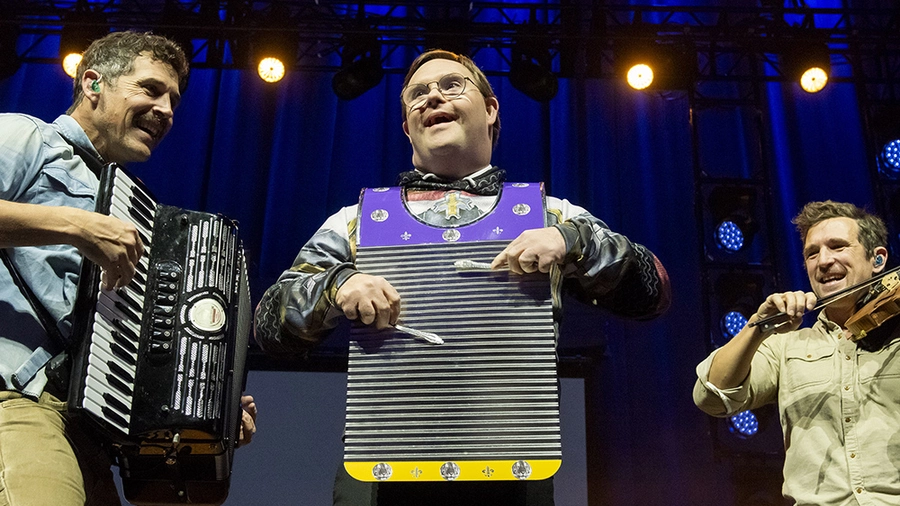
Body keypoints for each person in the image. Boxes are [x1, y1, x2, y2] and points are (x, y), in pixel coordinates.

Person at [254, 49, 671, 506]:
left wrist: (577, 242)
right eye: (416, 94)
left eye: (452, 86)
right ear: (407, 127)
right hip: (383, 467)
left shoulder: (551, 216)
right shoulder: (357, 223)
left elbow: (652, 292)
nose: (432, 96)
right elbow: (268, 326)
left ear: (491, 109)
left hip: (514, 466)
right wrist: (336, 286)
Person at [0, 31, 256, 506]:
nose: (166, 111)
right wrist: (74, 224)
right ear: (93, 83)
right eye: (150, 89)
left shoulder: (129, 210)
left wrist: (207, 407)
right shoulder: (25, 134)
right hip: (16, 399)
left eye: (174, 101)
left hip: (86, 431)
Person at [693, 200, 900, 505]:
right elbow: (711, 396)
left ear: (878, 259)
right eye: (812, 253)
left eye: (838, 246)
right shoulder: (786, 345)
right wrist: (759, 325)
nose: (824, 261)